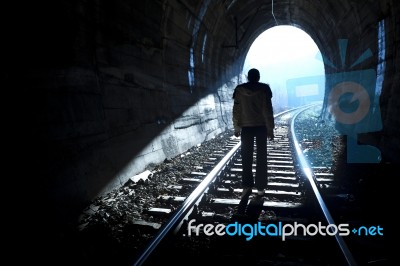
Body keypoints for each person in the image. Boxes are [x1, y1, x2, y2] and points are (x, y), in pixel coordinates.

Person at [232, 68, 274, 211]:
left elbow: (236, 110)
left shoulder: (239, 90)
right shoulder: (264, 89)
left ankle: (247, 186)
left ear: (248, 77)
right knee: (261, 158)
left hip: (246, 128)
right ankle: (260, 188)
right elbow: (268, 109)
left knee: (246, 157)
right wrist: (270, 129)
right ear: (258, 77)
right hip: (261, 127)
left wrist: (237, 128)